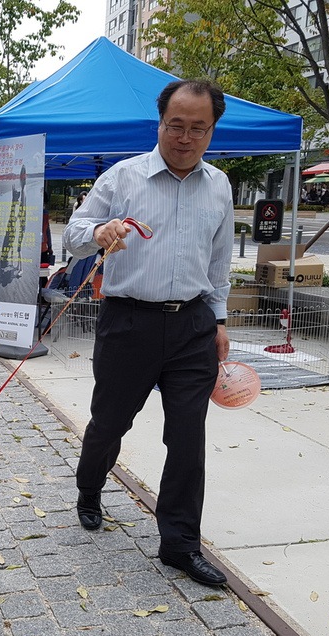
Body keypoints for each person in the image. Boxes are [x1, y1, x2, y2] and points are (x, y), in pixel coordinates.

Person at [62, 79, 233, 587]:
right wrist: (98, 233)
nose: (184, 137)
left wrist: (219, 319)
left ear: (211, 130)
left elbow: (219, 260)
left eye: (197, 129)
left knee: (187, 438)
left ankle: (180, 544)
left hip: (193, 326)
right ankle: (90, 487)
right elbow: (73, 234)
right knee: (109, 424)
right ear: (159, 124)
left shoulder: (219, 186)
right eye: (175, 125)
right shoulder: (123, 178)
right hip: (129, 322)